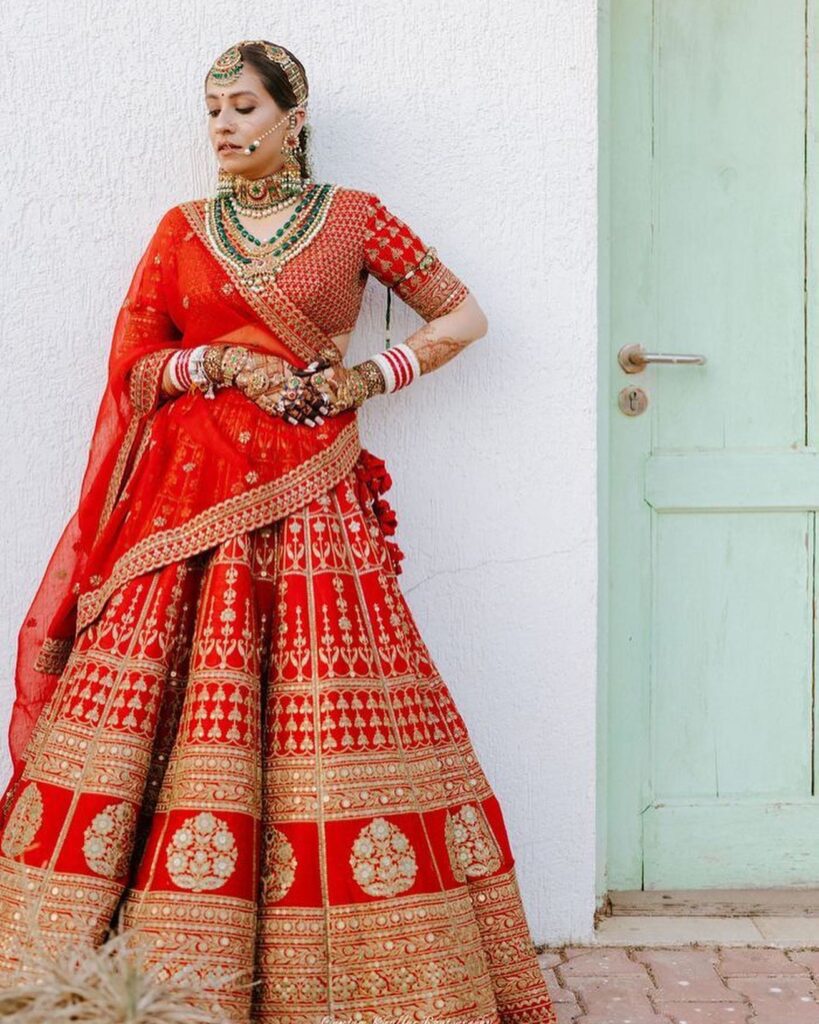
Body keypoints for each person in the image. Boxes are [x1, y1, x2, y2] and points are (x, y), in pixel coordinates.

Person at [0, 39, 558, 1024]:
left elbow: (463, 316)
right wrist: (214, 366)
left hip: (313, 502)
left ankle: (350, 970)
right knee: (153, 719)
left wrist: (368, 376)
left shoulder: (353, 219)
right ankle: (137, 961)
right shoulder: (182, 229)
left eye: (244, 109)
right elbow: (134, 358)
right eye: (212, 110)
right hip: (183, 508)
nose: (222, 126)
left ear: (292, 118)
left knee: (318, 711)